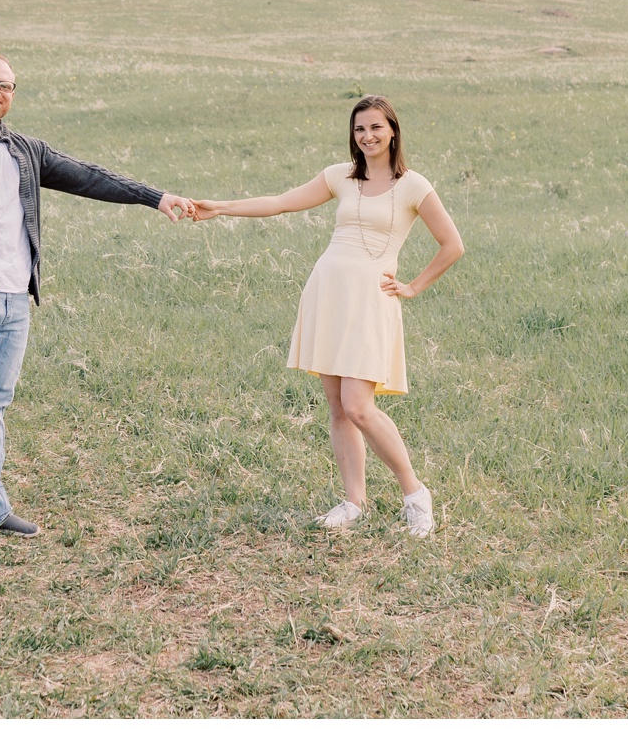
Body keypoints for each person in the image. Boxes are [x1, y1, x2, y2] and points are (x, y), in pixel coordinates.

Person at [0, 53, 194, 548]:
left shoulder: (25, 149)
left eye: (7, 85)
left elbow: (88, 176)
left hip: (15, 296)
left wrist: (156, 197)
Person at [192, 95, 464, 537]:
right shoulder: (340, 176)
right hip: (328, 294)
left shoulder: (414, 185)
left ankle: (415, 494)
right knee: (338, 407)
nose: (368, 136)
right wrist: (220, 207)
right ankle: (353, 501)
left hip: (370, 302)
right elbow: (281, 202)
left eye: (376, 127)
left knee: (360, 406)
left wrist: (413, 286)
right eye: (359, 129)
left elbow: (452, 244)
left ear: (392, 130)